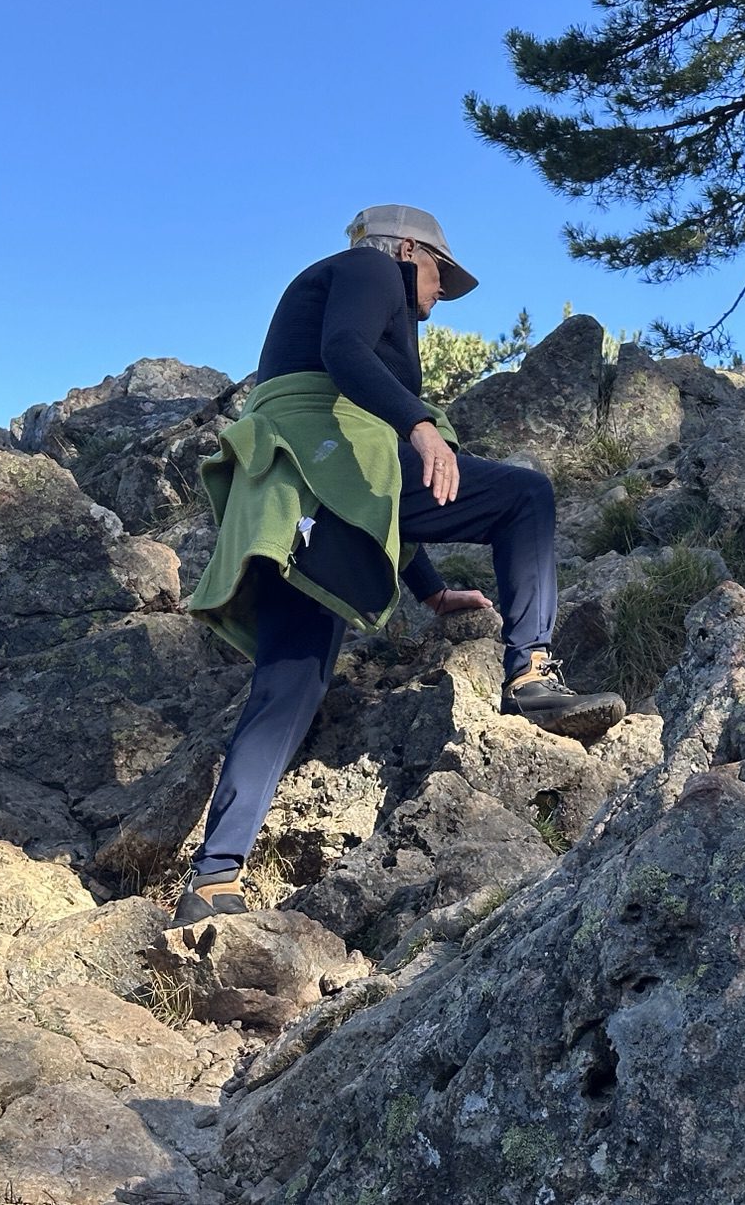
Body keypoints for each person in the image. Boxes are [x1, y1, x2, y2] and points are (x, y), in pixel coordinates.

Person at [173, 203, 625, 925]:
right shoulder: (368, 266)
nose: (441, 293)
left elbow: (370, 500)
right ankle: (532, 674)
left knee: (291, 685)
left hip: (298, 499)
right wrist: (420, 427)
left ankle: (213, 878)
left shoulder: (338, 289)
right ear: (410, 250)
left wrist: (432, 589)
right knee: (524, 496)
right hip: (323, 458)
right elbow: (347, 351)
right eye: (442, 274)